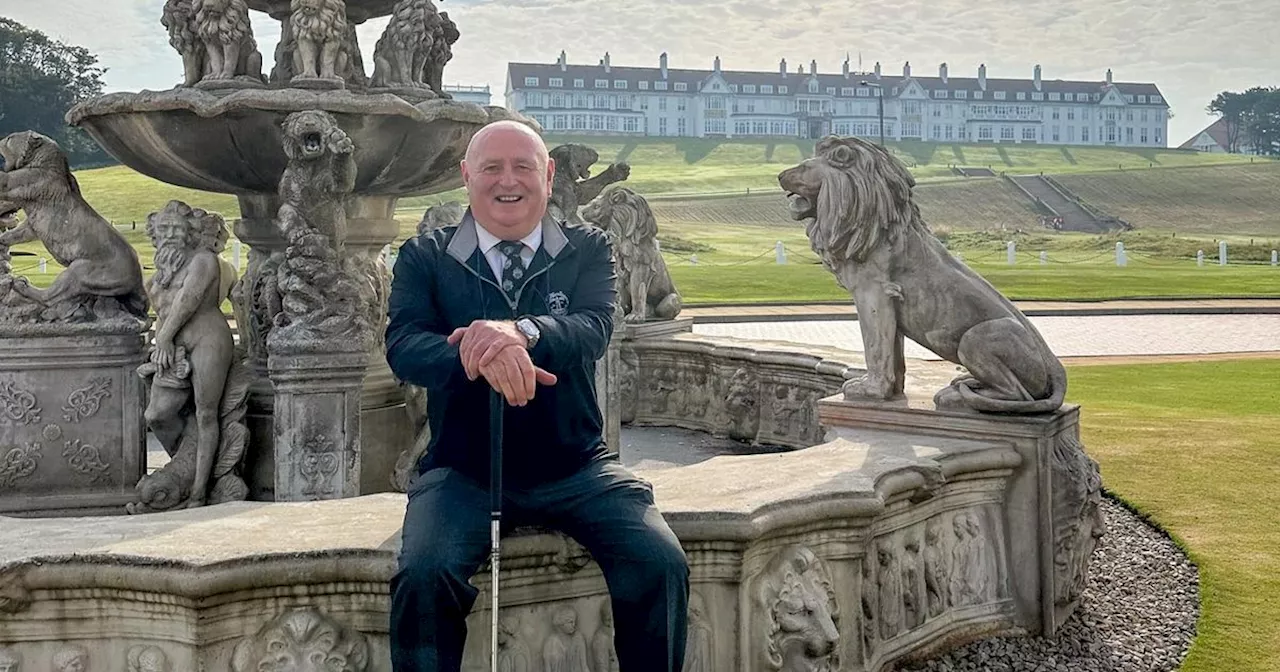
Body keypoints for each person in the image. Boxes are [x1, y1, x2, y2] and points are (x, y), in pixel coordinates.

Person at [385, 119, 689, 672]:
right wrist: (480, 353)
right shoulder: (424, 256)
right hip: (461, 471)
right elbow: (404, 347)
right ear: (466, 177)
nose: (509, 180)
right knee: (423, 576)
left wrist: (520, 333)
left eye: (523, 166)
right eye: (492, 167)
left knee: (659, 562)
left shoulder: (587, 249)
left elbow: (594, 327)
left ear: (548, 175)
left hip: (576, 468)